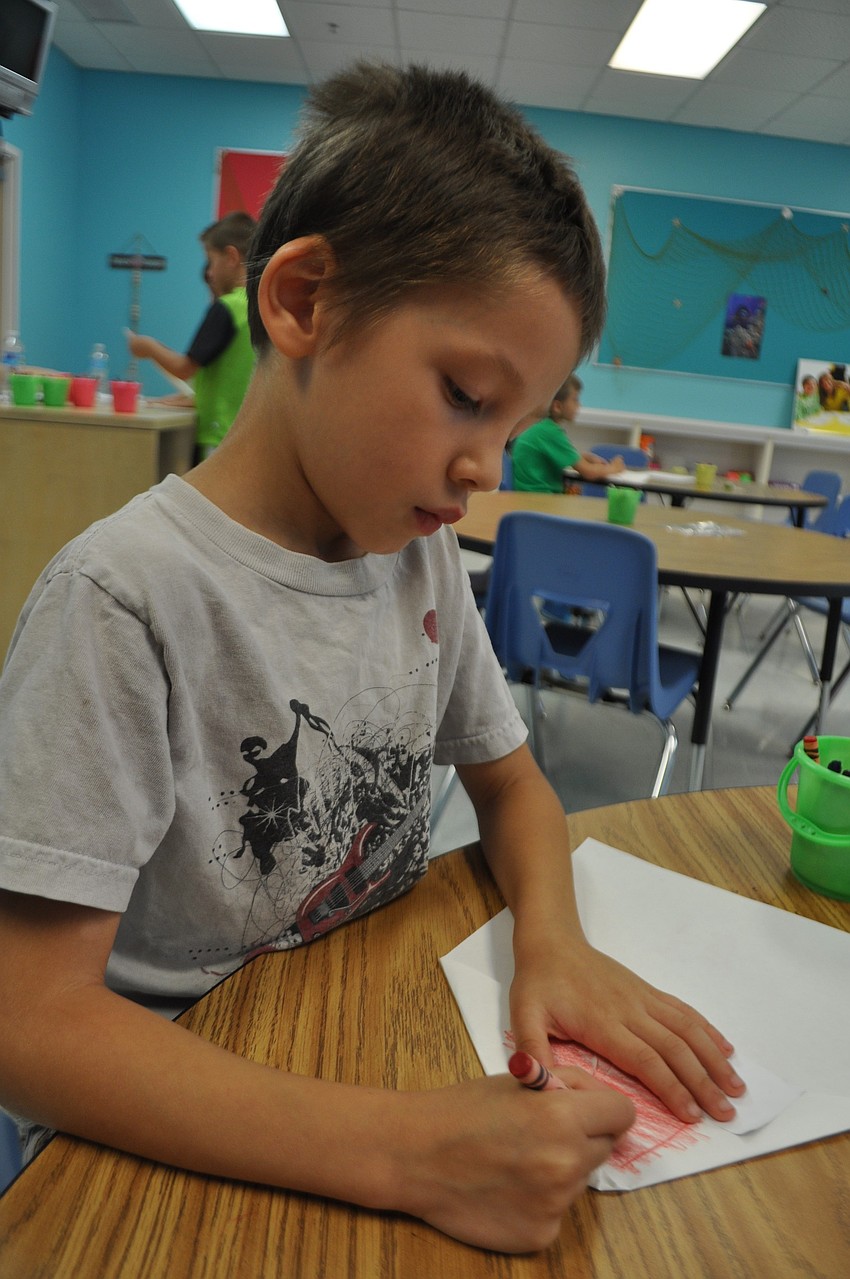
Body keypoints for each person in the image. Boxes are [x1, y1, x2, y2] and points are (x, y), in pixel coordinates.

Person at [0, 63, 744, 1256]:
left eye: (515, 426)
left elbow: (511, 782)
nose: (487, 468)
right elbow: (29, 1023)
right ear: (300, 303)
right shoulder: (124, 601)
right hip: (180, 1132)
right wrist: (406, 1150)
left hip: (364, 1034)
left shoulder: (416, 558)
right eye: (465, 397)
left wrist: (552, 941)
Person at [127, 211, 256, 460]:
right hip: (247, 432)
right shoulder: (259, 305)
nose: (209, 273)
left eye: (211, 260)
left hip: (218, 435)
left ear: (231, 257)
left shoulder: (227, 308)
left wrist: (148, 347)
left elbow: (185, 368)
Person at [511, 374, 626, 492]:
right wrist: (614, 468)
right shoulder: (550, 432)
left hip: (527, 497)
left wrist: (584, 457)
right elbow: (588, 472)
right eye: (575, 400)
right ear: (557, 406)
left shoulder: (539, 425)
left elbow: (558, 454)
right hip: (540, 499)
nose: (579, 405)